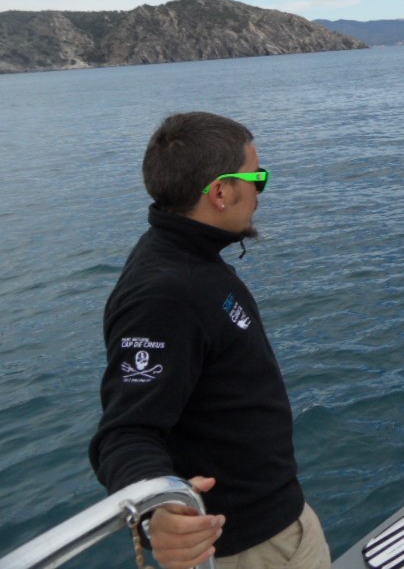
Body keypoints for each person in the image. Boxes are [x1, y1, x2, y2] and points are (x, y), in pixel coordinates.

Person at [89, 112, 331, 569]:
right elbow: (125, 432)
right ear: (220, 192)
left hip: (272, 524)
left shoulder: (189, 258)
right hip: (251, 549)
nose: (260, 191)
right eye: (257, 177)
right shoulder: (165, 293)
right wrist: (157, 510)